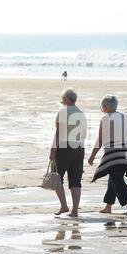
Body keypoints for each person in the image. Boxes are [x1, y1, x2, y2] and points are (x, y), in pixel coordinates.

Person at [88, 95, 127, 215]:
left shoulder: (105, 119)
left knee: (117, 179)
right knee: (114, 178)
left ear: (105, 107)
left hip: (113, 154)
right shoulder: (126, 117)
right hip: (125, 153)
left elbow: (100, 140)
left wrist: (92, 155)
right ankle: (108, 206)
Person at [49, 88, 87, 217]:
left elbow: (58, 133)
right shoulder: (81, 113)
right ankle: (74, 210)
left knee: (56, 177)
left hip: (65, 147)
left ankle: (64, 206)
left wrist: (53, 149)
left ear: (65, 99)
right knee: (76, 180)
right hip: (79, 148)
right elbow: (84, 134)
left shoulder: (62, 112)